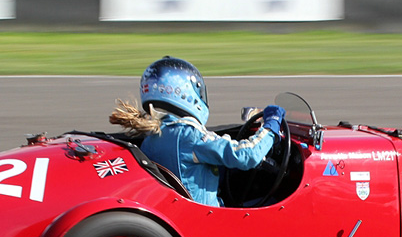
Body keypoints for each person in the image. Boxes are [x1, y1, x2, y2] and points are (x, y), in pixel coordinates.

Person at [110, 56, 285, 207]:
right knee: (276, 202)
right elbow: (249, 155)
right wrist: (271, 126)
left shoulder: (153, 135)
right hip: (207, 220)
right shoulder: (188, 135)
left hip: (181, 214)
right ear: (183, 92)